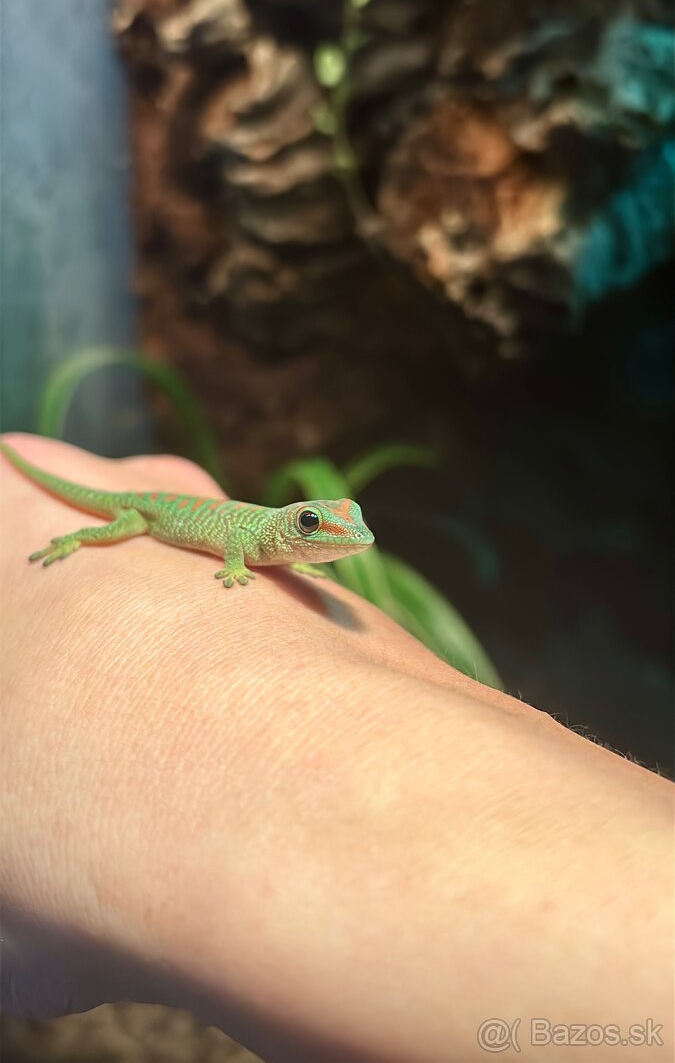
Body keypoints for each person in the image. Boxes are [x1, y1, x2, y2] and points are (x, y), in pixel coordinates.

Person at [1, 434, 672, 1063]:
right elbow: (233, 547)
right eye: (311, 525)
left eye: (332, 523)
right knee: (119, 523)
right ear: (289, 527)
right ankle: (73, 536)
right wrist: (96, 541)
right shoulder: (249, 538)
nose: (339, 535)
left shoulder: (278, 540)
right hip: (139, 511)